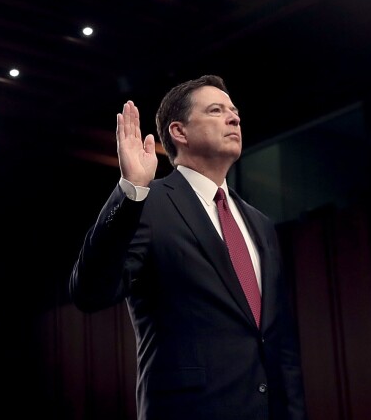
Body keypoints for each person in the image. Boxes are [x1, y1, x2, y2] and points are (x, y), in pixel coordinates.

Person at [69, 75, 307, 420]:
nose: (234, 118)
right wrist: (132, 189)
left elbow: (281, 343)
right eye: (216, 110)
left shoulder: (261, 225)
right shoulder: (147, 205)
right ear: (179, 132)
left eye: (234, 111)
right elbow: (90, 292)